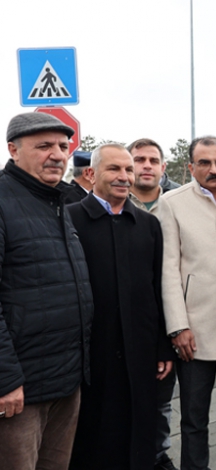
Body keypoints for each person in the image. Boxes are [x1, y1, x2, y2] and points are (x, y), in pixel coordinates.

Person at [67, 144, 174, 469]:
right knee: (94, 437)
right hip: (90, 354)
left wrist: (162, 346)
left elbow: (157, 289)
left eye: (128, 170)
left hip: (139, 354)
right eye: (115, 169)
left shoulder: (147, 224)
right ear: (92, 173)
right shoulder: (70, 220)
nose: (124, 176)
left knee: (139, 435)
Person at [0, 112, 93, 469]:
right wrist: (6, 380)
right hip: (20, 392)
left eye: (62, 145)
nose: (57, 154)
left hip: (65, 382)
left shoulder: (55, 204)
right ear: (13, 150)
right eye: (43, 146)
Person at [157, 135, 216, 470]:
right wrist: (177, 326)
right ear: (190, 166)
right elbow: (168, 268)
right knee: (194, 417)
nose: (214, 169)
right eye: (205, 163)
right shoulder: (171, 202)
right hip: (194, 330)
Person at [127, 137, 181, 470]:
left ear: (163, 167)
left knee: (162, 400)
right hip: (125, 320)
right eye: (138, 159)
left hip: (169, 318)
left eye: (153, 160)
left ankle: (159, 456)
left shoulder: (177, 204)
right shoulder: (113, 204)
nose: (146, 165)